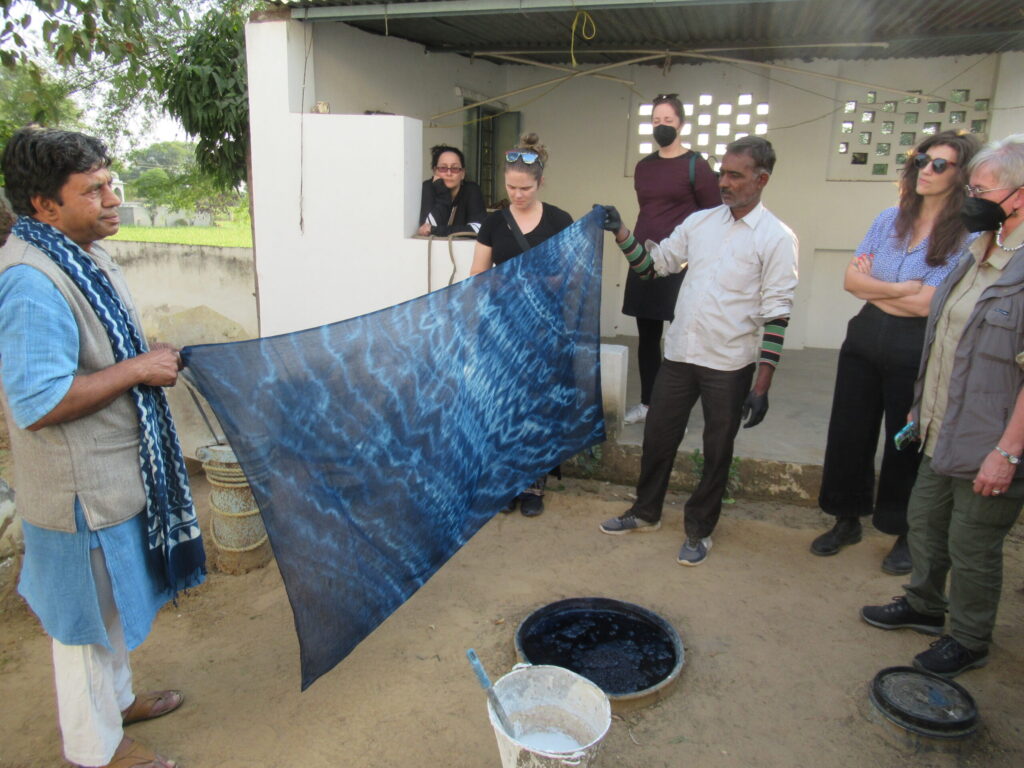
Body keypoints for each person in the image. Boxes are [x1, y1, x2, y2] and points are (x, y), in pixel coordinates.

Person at [0, 127, 205, 768]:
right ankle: (96, 749)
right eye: (93, 190)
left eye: (110, 183)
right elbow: (38, 403)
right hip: (76, 495)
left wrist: (142, 358)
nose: (113, 199)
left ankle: (117, 703)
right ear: (44, 205)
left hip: (110, 480)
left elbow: (103, 352)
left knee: (108, 602)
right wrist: (139, 369)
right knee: (83, 624)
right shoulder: (31, 283)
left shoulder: (82, 256)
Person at [860, 134, 1024, 678]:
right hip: (938, 424)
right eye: (969, 187)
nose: (969, 198)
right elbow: (943, 338)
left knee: (972, 543)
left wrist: (1008, 451)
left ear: (1019, 196)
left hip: (991, 438)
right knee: (927, 522)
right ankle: (925, 604)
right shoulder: (979, 252)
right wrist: (919, 406)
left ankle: (970, 638)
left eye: (981, 189)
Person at [598, 136, 798, 566]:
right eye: (722, 173)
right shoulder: (700, 222)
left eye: (735, 175)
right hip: (680, 354)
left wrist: (762, 386)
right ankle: (646, 512)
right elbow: (653, 266)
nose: (724, 182)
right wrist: (622, 232)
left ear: (762, 180)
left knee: (716, 450)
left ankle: (699, 529)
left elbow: (777, 314)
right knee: (657, 438)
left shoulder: (777, 238)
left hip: (728, 363)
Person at [811, 131, 980, 574]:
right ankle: (846, 519)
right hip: (865, 336)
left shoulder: (967, 234)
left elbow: (929, 305)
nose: (926, 170)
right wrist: (902, 289)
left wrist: (878, 288)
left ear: (960, 175)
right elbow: (850, 281)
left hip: (916, 344)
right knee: (849, 431)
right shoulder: (888, 219)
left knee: (905, 439)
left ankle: (905, 531)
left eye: (940, 165)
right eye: (922, 160)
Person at [471, 132, 573, 517]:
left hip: (544, 329)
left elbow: (570, 277)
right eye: (511, 187)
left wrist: (525, 282)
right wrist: (513, 284)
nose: (517, 195)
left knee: (537, 406)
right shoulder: (493, 223)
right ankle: (503, 483)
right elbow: (478, 274)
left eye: (525, 188)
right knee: (501, 405)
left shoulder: (560, 220)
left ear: (541, 182)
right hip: (502, 327)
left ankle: (532, 484)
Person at [622, 93, 720, 425]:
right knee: (647, 336)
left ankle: (674, 410)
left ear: (681, 124)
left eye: (668, 120)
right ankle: (648, 404)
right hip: (643, 259)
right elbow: (649, 209)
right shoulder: (644, 167)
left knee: (683, 339)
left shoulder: (697, 166)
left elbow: (714, 216)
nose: (661, 126)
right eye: (656, 121)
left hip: (682, 264)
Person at [416, 145, 487, 237]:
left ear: (462, 174)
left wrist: (435, 230)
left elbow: (478, 229)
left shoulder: (471, 190)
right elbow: (425, 231)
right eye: (443, 168)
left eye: (455, 168)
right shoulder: (428, 188)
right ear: (435, 171)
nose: (449, 173)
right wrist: (444, 196)